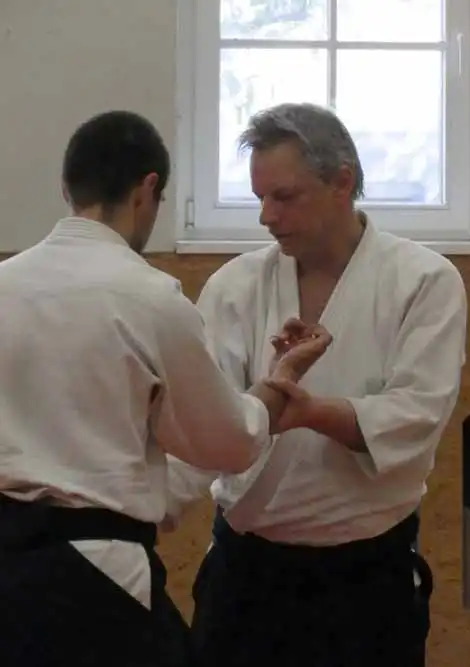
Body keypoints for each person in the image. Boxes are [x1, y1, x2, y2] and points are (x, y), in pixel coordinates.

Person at [0, 110, 332, 667]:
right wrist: (278, 384)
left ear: (66, 187)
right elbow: (224, 444)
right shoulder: (150, 297)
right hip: (97, 573)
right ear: (148, 187)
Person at [166, 103, 468, 667]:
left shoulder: (424, 281)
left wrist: (303, 410)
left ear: (342, 182)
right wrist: (148, 503)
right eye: (259, 198)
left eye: (283, 197)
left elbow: (417, 415)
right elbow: (205, 423)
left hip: (366, 579)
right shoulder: (235, 286)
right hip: (246, 574)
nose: (266, 216)